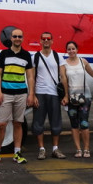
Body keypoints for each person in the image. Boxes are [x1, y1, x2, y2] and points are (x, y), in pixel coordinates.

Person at [0, 29, 34, 165]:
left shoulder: (26, 55)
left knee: (18, 123)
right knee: (1, 124)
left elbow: (30, 76)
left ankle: (17, 153)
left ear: (22, 38)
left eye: (20, 36)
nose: (17, 38)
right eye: (15, 36)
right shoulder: (4, 54)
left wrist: (31, 94)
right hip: (6, 94)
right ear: (11, 38)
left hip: (21, 94)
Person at [32, 31, 67, 160]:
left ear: (52, 41)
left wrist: (66, 95)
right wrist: (32, 95)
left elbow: (63, 77)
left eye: (48, 39)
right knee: (38, 122)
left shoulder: (58, 57)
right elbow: (31, 78)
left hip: (54, 93)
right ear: (40, 41)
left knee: (56, 121)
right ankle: (41, 149)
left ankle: (55, 149)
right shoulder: (35, 57)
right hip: (40, 93)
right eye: (43, 39)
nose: (46, 41)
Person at [63, 40, 93, 158]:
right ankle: (78, 149)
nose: (71, 51)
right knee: (74, 125)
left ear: (77, 50)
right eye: (69, 49)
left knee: (84, 123)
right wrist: (65, 96)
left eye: (73, 49)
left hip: (85, 97)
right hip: (71, 98)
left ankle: (86, 148)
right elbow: (64, 81)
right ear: (66, 51)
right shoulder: (64, 65)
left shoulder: (83, 62)